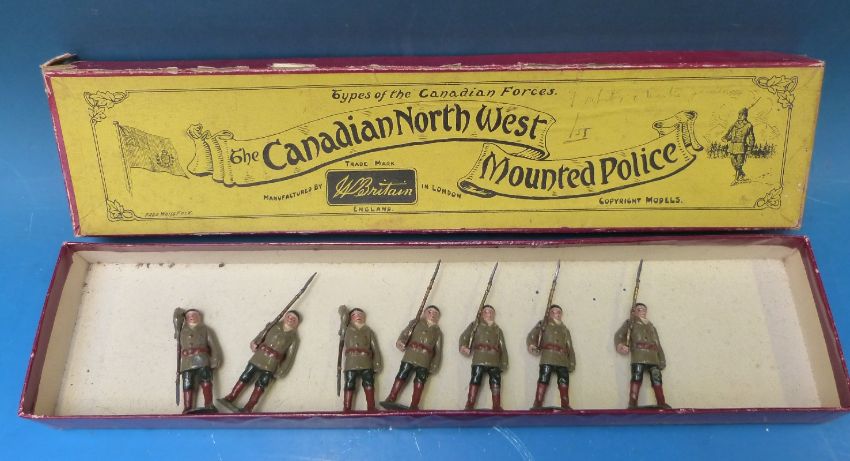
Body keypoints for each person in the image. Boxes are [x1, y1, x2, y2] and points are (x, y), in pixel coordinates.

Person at [219, 311, 301, 413]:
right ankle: (231, 396)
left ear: (297, 323)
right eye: (289, 316)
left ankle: (249, 407)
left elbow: (290, 357)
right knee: (245, 376)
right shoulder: (273, 325)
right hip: (258, 357)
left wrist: (281, 370)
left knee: (261, 385)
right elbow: (261, 335)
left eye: (294, 319)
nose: (290, 319)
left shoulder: (293, 339)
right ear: (285, 317)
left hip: (271, 364)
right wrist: (255, 342)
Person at [382, 305, 443, 410]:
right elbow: (405, 333)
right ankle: (391, 398)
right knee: (401, 375)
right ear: (424, 313)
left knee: (420, 381)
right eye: (430, 312)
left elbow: (438, 351)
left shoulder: (438, 332)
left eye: (435, 314)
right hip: (410, 355)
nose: (432, 315)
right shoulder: (416, 323)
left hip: (425, 360)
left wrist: (435, 364)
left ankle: (414, 405)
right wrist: (401, 341)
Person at [614, 303, 670, 409]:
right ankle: (632, 403)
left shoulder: (651, 326)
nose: (642, 311)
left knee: (657, 379)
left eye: (644, 309)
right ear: (634, 311)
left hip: (653, 357)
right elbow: (619, 335)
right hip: (638, 356)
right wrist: (620, 345)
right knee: (636, 378)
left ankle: (661, 402)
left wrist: (661, 359)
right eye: (639, 309)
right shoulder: (630, 323)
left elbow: (657, 343)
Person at [459, 305, 508, 411]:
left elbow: (502, 347)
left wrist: (504, 362)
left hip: (494, 360)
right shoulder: (475, 325)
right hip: (479, 359)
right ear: (481, 313)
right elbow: (464, 337)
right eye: (486, 312)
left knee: (496, 382)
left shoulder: (497, 330)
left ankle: (496, 405)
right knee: (475, 379)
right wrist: (463, 346)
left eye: (491, 312)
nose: (488, 314)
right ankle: (470, 403)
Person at [526, 304, 576, 409]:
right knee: (543, 379)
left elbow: (569, 347)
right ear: (549, 314)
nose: (555, 314)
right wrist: (532, 344)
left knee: (564, 381)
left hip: (562, 359)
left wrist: (571, 362)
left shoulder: (565, 330)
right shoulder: (544, 324)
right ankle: (538, 403)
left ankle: (565, 404)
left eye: (558, 312)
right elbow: (532, 335)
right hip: (547, 357)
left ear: (561, 314)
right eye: (553, 312)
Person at [173, 308, 221, 414]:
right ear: (185, 318)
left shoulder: (206, 329)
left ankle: (209, 404)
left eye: (194, 315)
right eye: (189, 315)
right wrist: (180, 313)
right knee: (187, 383)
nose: (192, 317)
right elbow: (176, 317)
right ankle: (187, 407)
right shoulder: (181, 331)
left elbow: (213, 345)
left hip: (202, 360)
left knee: (206, 381)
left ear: (199, 317)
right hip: (187, 362)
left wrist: (215, 358)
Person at [339, 307, 383, 412]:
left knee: (369, 383)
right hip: (351, 363)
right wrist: (344, 311)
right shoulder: (346, 329)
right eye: (354, 314)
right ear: (350, 318)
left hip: (366, 362)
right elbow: (344, 318)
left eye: (360, 314)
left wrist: (377, 363)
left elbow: (375, 349)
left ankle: (371, 407)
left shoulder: (369, 331)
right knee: (349, 384)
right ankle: (347, 408)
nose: (358, 316)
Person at [724, 107, 756, 185]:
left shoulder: (748, 125)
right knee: (733, 162)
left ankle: (736, 179)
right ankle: (741, 173)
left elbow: (751, 138)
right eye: (739, 114)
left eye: (741, 114)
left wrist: (750, 149)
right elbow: (730, 135)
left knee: (739, 163)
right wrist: (725, 138)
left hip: (741, 146)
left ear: (745, 115)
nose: (739, 116)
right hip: (732, 146)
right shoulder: (734, 124)